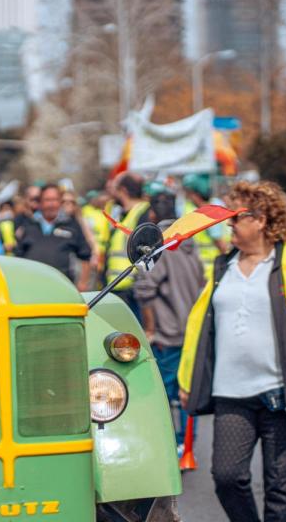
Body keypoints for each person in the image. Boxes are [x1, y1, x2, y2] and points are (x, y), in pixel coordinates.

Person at [178, 180, 286, 522]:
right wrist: (189, 375)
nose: (229, 224)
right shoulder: (223, 266)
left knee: (282, 490)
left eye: (235, 217)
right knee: (227, 477)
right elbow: (201, 327)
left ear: (261, 219)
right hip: (231, 394)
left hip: (283, 393)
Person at [134, 192, 205, 450]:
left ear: (152, 215)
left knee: (161, 395)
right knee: (186, 392)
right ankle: (187, 444)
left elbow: (145, 288)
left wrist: (150, 329)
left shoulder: (160, 246)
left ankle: (167, 446)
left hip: (167, 334)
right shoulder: (189, 243)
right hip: (189, 331)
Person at [14, 184, 92, 290]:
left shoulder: (71, 224)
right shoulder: (28, 224)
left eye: (55, 200)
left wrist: (83, 283)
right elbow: (18, 257)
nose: (51, 204)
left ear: (60, 202)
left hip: (63, 287)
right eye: (47, 200)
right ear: (40, 203)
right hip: (31, 286)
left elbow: (85, 256)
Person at [104, 172, 150, 319]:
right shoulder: (122, 214)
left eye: (115, 188)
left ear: (123, 190)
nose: (111, 192)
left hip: (132, 289)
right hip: (117, 286)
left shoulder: (144, 213)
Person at [181, 174, 229, 279]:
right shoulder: (218, 203)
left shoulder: (206, 212)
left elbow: (221, 244)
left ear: (195, 194)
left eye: (188, 193)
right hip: (211, 269)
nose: (188, 197)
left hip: (211, 271)